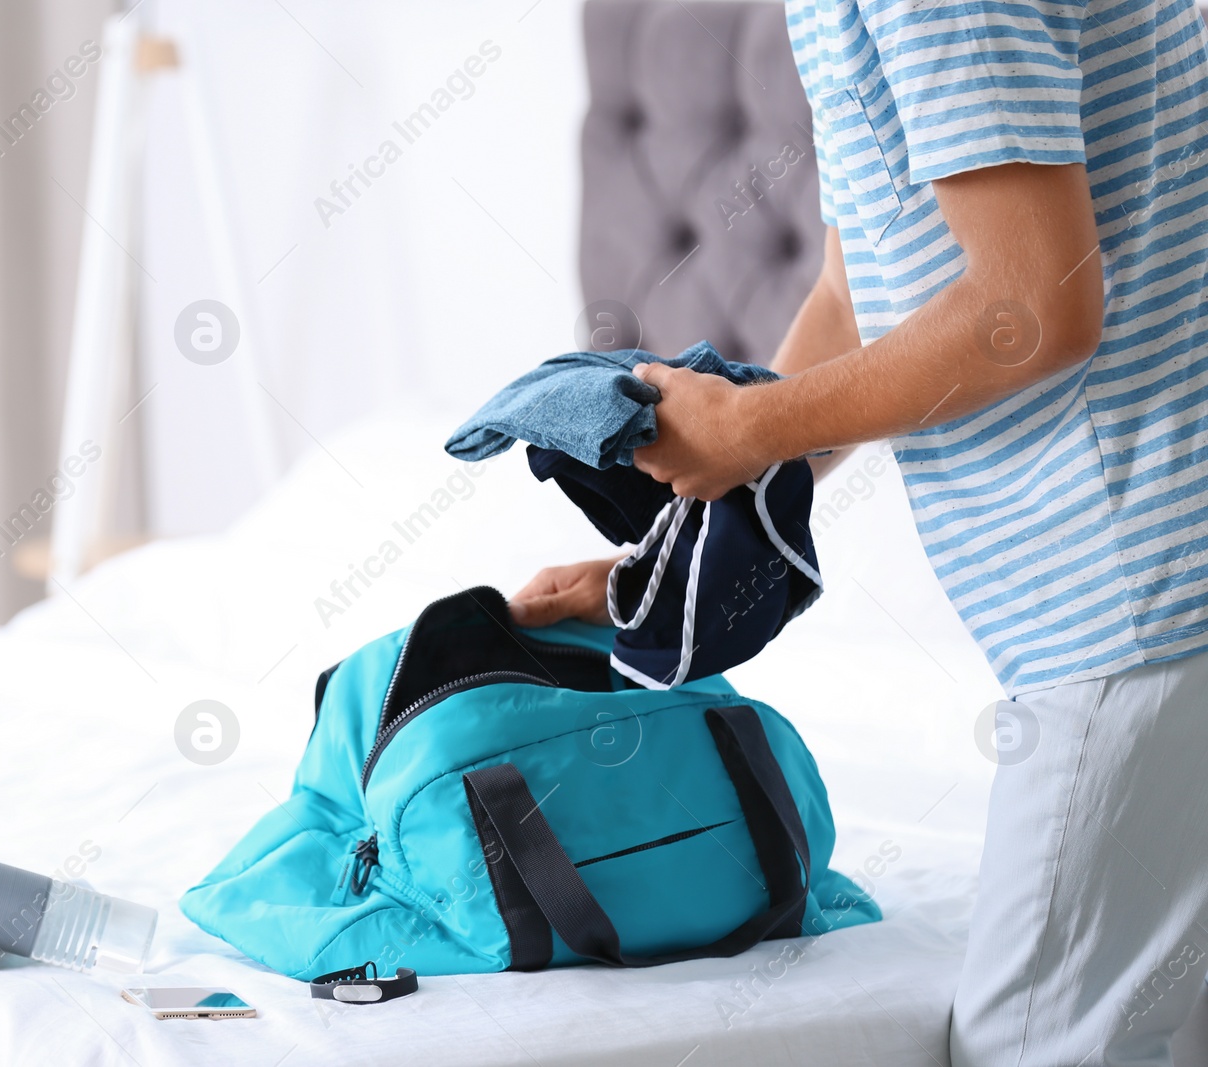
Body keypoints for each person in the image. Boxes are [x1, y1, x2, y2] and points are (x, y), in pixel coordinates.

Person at [511, 0, 1208, 1061]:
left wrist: (745, 422)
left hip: (1133, 593)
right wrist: (680, 545)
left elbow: (1033, 304)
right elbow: (862, 284)